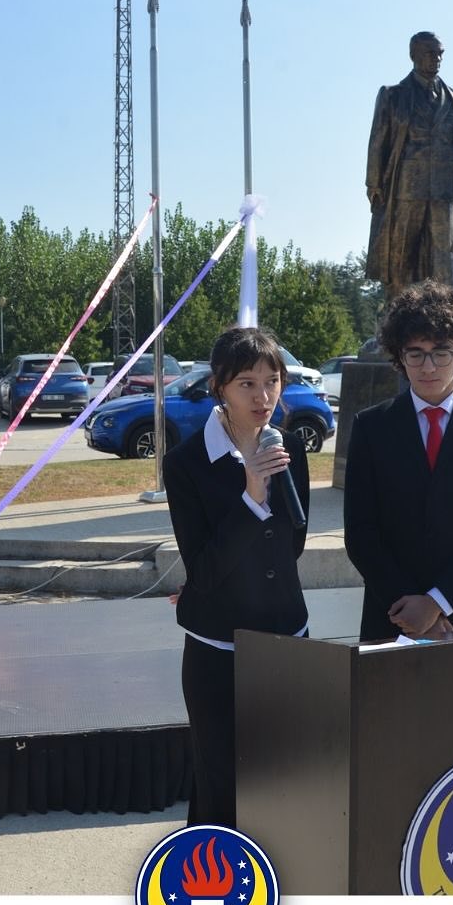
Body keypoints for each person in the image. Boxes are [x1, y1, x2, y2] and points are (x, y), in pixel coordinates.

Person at [163, 327, 311, 828]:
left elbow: (293, 545)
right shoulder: (186, 464)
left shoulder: (288, 447)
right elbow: (203, 571)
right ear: (219, 387)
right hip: (218, 646)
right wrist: (251, 495)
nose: (262, 396)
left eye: (272, 382)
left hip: (287, 638)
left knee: (287, 776)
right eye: (247, 383)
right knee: (221, 782)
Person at [344, 281, 453, 641]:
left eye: (441, 353)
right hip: (392, 613)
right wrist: (410, 608)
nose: (428, 366)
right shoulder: (371, 427)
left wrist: (438, 602)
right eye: (415, 353)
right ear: (399, 356)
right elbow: (362, 531)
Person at [365, 31, 453, 295]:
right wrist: (374, 184)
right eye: (430, 53)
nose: (436, 59)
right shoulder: (393, 95)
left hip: (445, 190)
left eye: (440, 54)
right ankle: (398, 312)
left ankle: (447, 313)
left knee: (446, 260)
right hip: (406, 188)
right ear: (413, 55)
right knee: (401, 258)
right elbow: (377, 142)